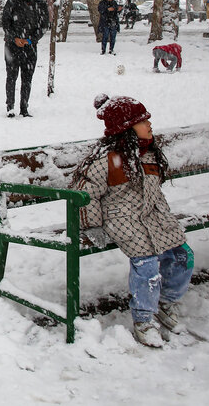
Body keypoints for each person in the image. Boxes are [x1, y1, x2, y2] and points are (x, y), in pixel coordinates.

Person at [70, 95, 193, 348]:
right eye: (143, 121)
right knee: (146, 265)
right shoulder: (106, 160)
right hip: (123, 221)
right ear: (125, 128)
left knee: (183, 256)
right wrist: (92, 226)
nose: (149, 124)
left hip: (153, 217)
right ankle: (144, 320)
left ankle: (165, 301)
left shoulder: (148, 154)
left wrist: (163, 216)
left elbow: (155, 192)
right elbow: (85, 193)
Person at [1, 0, 49, 118]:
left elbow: (43, 25)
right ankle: (10, 106)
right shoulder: (12, 2)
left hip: (30, 48)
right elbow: (6, 22)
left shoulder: (40, 5)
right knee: (11, 77)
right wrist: (14, 38)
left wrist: (30, 40)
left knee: (27, 78)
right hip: (12, 47)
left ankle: (24, 107)